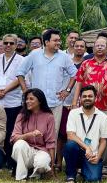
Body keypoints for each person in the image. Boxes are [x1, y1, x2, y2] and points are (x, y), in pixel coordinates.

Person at [17, 29, 77, 160]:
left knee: (52, 134)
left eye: (59, 40)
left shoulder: (64, 57)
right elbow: (20, 72)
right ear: (46, 42)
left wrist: (67, 90)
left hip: (56, 103)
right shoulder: (34, 55)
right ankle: (32, 161)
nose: (59, 43)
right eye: (55, 40)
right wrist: (25, 91)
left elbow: (74, 74)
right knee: (34, 133)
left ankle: (49, 164)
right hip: (36, 105)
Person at [73, 34, 107, 166]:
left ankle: (104, 163)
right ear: (93, 48)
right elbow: (79, 83)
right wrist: (74, 102)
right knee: (83, 133)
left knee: (104, 135)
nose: (100, 48)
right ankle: (82, 162)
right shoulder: (85, 63)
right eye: (97, 46)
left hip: (105, 107)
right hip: (86, 106)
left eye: (102, 46)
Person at [0, 33, 25, 168]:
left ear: (16, 45)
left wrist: (5, 91)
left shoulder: (21, 60)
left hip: (12, 101)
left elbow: (20, 78)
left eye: (11, 43)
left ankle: (10, 159)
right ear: (2, 44)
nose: (8, 45)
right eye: (6, 43)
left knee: (10, 130)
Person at [64, 85, 107, 183]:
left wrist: (98, 156)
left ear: (95, 98)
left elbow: (103, 140)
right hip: (77, 152)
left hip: (92, 155)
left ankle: (84, 170)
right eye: (84, 96)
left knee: (93, 180)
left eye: (90, 96)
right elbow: (70, 135)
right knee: (70, 145)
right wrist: (86, 147)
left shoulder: (102, 116)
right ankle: (71, 176)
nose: (87, 98)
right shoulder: (73, 113)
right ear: (80, 98)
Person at [10, 88, 56, 181]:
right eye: (27, 99)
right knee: (19, 144)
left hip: (42, 151)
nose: (27, 101)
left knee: (42, 165)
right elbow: (14, 138)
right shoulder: (21, 116)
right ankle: (21, 177)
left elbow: (51, 143)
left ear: (40, 101)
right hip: (26, 151)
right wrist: (29, 135)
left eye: (31, 99)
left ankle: (36, 173)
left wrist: (52, 167)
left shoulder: (49, 117)